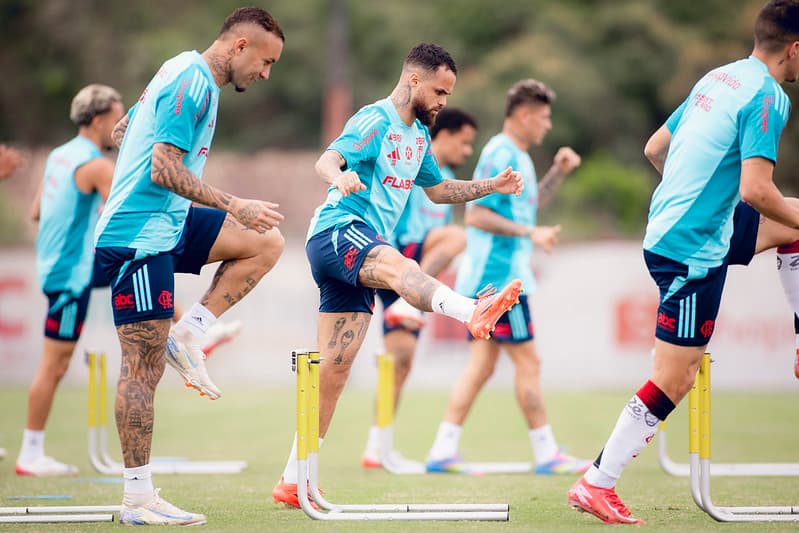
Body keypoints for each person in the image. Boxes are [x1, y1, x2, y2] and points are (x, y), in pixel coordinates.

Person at [568, 1, 799, 524]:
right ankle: (595, 483)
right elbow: (758, 191)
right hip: (692, 250)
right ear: (794, 49)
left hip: (682, 227)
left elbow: (655, 148)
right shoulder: (768, 97)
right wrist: (704, 210)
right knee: (676, 378)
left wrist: (692, 196)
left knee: (793, 221)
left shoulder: (720, 77)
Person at [272, 43, 525, 508]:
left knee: (335, 369)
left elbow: (440, 191)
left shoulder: (419, 138)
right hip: (338, 232)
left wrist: (492, 185)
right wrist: (339, 177)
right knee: (401, 267)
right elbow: (326, 159)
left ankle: (292, 480)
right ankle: (471, 309)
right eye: (439, 91)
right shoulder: (374, 121)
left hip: (358, 250)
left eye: (448, 94)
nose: (443, 102)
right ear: (413, 80)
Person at [94, 7, 285, 525]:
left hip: (168, 223)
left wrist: (139, 135)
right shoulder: (193, 82)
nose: (266, 75)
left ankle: (191, 333)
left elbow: (123, 128)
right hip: (136, 237)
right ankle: (137, 500)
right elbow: (161, 168)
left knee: (266, 244)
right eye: (265, 62)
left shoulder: (180, 67)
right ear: (240, 46)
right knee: (142, 370)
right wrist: (233, 204)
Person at [424, 79, 590, 475]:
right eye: (544, 118)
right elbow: (477, 215)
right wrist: (530, 234)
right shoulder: (500, 151)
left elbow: (526, 209)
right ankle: (547, 452)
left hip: (496, 279)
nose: (547, 126)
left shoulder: (522, 157)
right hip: (500, 283)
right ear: (524, 115)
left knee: (480, 368)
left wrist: (558, 172)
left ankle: (442, 450)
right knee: (529, 361)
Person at [12, 85, 124, 477]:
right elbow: (121, 217)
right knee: (54, 365)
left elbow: (36, 211)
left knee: (136, 269)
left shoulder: (59, 155)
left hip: (60, 265)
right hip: (70, 275)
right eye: (117, 118)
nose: (121, 125)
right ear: (97, 121)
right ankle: (30, 453)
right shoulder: (97, 165)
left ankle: (189, 329)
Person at [360, 107, 477, 469]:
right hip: (395, 258)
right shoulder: (410, 171)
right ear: (441, 137)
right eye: (465, 142)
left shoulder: (446, 180)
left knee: (401, 362)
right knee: (459, 235)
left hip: (415, 269)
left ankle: (375, 447)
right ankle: (410, 301)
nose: (468, 151)